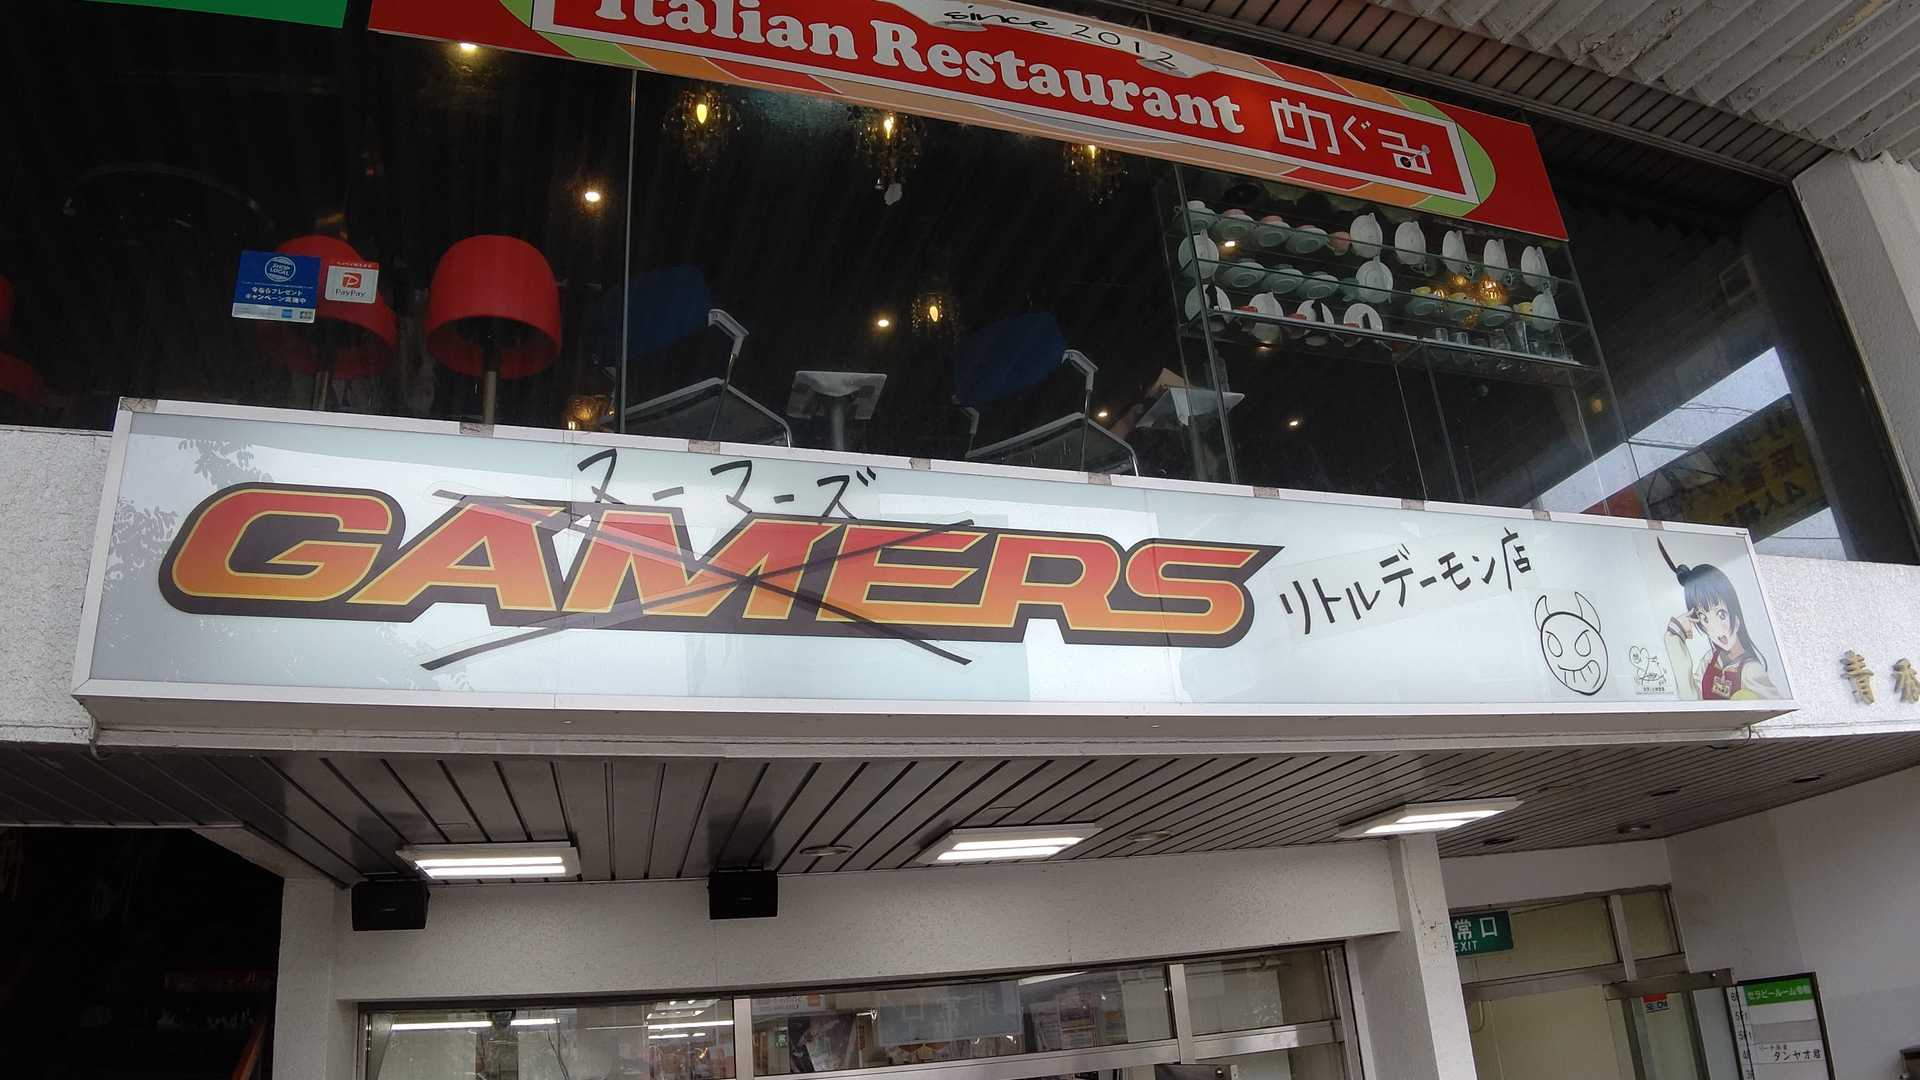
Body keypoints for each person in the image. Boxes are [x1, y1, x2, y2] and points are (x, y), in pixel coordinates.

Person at [1660, 540, 1779, 701]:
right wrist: (1675, 635)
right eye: (1704, 619)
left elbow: (1772, 706)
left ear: (1735, 613)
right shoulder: (1710, 660)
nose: (1716, 630)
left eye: (1721, 614)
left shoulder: (1751, 671)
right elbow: (1690, 699)